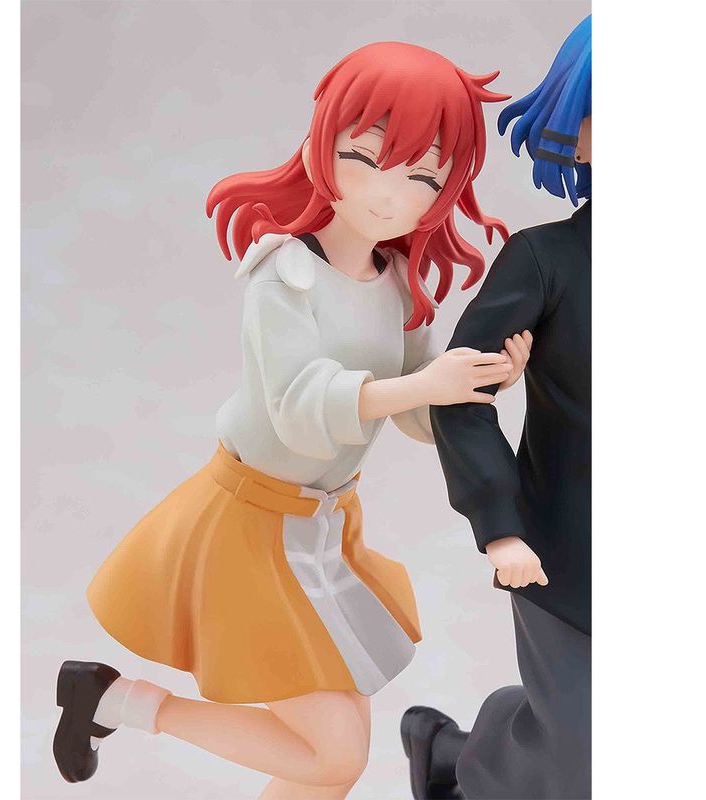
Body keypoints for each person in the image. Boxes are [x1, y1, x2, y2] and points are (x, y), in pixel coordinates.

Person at [51, 42, 531, 800]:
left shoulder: (397, 280)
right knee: (333, 757)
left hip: (323, 530)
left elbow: (415, 417)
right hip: (248, 526)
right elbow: (300, 408)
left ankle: (108, 701)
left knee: (328, 764)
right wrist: (422, 384)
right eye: (365, 158)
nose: (389, 195)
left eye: (423, 177)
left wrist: (479, 382)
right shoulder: (285, 272)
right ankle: (117, 702)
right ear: (321, 144)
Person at [401, 15, 592, 800]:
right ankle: (464, 752)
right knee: (585, 757)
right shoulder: (544, 261)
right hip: (570, 552)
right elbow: (461, 392)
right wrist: (499, 522)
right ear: (576, 134)